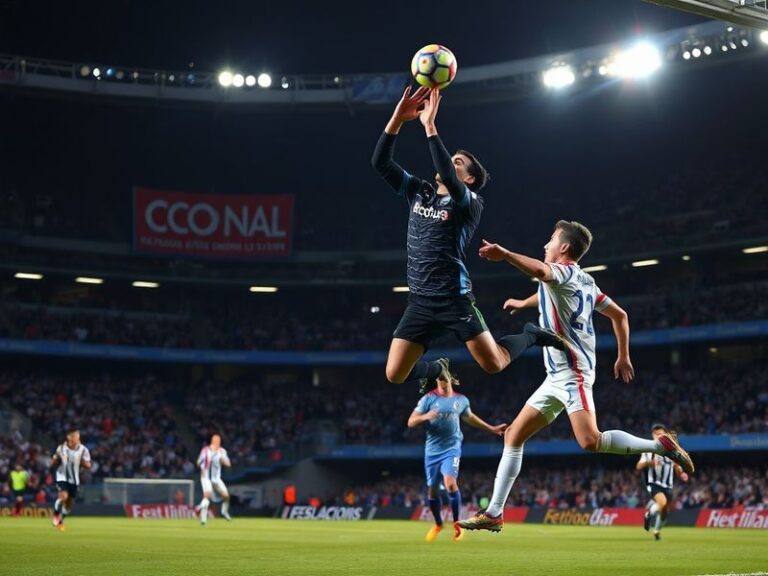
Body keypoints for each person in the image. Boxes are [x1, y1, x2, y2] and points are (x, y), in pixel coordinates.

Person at [458, 220, 695, 533]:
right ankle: (494, 513)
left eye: (551, 239)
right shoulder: (585, 280)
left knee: (589, 441)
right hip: (556, 374)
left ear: (564, 248)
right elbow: (619, 316)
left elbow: (544, 274)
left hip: (573, 371)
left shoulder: (564, 272)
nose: (546, 244)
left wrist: (506, 255)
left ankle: (659, 448)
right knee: (514, 435)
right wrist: (622, 355)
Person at [371, 86, 564, 391]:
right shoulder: (418, 191)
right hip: (420, 302)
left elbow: (448, 176)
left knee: (494, 364)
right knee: (394, 374)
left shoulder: (469, 202)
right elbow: (380, 163)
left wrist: (430, 125)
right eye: (452, 159)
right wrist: (397, 118)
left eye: (458, 162)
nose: (451, 162)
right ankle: (437, 367)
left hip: (454, 300)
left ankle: (531, 334)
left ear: (470, 179)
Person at [408, 372, 506, 543]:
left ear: (450, 379)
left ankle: (457, 525)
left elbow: (470, 418)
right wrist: (425, 416)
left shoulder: (461, 400)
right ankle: (438, 524)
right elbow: (411, 421)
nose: (441, 382)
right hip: (432, 451)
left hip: (452, 449)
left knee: (450, 483)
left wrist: (492, 429)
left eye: (444, 378)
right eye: (439, 379)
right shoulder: (428, 399)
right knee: (432, 490)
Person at [637, 423, 689, 541]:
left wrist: (681, 473)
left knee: (665, 510)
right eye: (655, 434)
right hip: (653, 483)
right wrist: (648, 463)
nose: (657, 436)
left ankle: (656, 531)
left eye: (660, 434)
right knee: (662, 502)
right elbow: (638, 466)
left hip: (667, 485)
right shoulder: (648, 450)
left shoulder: (671, 450)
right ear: (652, 435)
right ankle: (648, 514)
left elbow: (677, 465)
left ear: (665, 435)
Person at [50, 426, 92, 530]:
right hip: (62, 476)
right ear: (68, 437)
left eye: (77, 435)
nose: (76, 437)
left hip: (74, 479)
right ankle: (55, 514)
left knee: (68, 504)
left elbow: (88, 465)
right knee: (63, 496)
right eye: (73, 435)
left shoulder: (83, 450)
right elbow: (54, 458)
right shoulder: (61, 448)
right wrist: (53, 462)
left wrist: (80, 461)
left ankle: (61, 520)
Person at [195, 433, 232, 525]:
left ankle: (224, 512)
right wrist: (202, 468)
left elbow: (228, 464)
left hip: (216, 479)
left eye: (218, 439)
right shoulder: (205, 451)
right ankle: (203, 520)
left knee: (226, 496)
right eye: (215, 439)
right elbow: (198, 462)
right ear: (212, 440)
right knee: (207, 495)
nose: (217, 441)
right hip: (206, 478)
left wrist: (224, 461)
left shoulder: (222, 451)